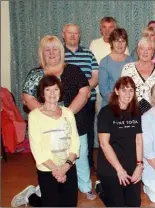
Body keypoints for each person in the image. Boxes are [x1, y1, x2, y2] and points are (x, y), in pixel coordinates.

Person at [22, 35, 95, 200]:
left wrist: (64, 114)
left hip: (74, 121)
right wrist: (47, 115)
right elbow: (27, 98)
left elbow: (85, 92)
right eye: (47, 49)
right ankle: (43, 192)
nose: (52, 52)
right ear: (42, 53)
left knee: (79, 156)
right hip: (45, 127)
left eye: (55, 49)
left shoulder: (74, 70)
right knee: (49, 160)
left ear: (61, 51)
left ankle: (85, 187)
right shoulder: (35, 73)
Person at [11, 75, 80, 207]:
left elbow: (75, 143)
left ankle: (33, 194)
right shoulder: (34, 116)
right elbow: (37, 149)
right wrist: (56, 170)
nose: (52, 93)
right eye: (48, 90)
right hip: (48, 169)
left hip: (68, 166)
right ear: (42, 93)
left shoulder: (68, 113)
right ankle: (31, 196)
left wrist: (65, 167)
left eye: (56, 89)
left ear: (60, 92)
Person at [95, 76, 143, 207]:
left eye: (131, 90)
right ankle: (101, 189)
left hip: (131, 164)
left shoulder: (136, 112)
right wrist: (119, 170)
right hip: (110, 166)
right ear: (116, 91)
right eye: (124, 90)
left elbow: (139, 140)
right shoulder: (106, 113)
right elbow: (104, 144)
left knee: (134, 204)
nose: (128, 94)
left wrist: (139, 165)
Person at [62, 23, 99, 172]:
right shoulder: (59, 54)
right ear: (63, 35)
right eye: (69, 33)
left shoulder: (88, 53)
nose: (72, 36)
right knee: (66, 133)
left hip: (88, 101)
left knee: (88, 133)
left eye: (76, 33)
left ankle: (88, 163)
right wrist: (75, 93)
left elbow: (95, 78)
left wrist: (81, 92)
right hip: (65, 102)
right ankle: (67, 164)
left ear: (79, 35)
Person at [121, 37, 155, 115]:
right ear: (138, 51)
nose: (145, 52)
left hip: (154, 114)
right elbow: (122, 92)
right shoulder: (128, 68)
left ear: (153, 52)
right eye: (142, 49)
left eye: (149, 49)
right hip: (131, 112)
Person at [99, 28, 134, 107]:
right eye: (116, 41)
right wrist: (118, 104)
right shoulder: (104, 62)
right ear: (111, 43)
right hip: (110, 105)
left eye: (123, 41)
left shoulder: (131, 60)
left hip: (129, 105)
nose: (120, 44)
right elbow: (104, 90)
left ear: (126, 43)